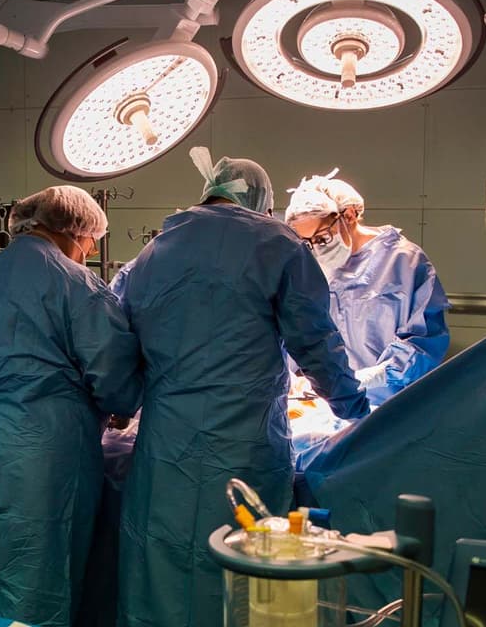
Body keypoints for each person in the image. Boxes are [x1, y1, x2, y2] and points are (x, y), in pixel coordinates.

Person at [117, 147, 369, 627]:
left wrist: (122, 405)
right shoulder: (277, 244)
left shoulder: (153, 252)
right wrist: (352, 406)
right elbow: (314, 340)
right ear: (262, 201)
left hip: (166, 444)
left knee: (161, 559)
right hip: (241, 442)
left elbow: (121, 341)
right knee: (235, 559)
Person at [0, 186, 144, 627]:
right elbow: (112, 371)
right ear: (73, 230)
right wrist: (122, 404)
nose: (91, 252)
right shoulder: (76, 283)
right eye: (91, 242)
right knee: (37, 567)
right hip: (41, 445)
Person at [284, 171, 450, 408]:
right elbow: (297, 328)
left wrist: (370, 377)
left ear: (349, 215)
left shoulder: (404, 262)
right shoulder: (311, 267)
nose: (316, 249)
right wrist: (290, 376)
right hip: (326, 406)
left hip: (389, 406)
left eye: (322, 238)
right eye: (307, 243)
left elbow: (424, 343)